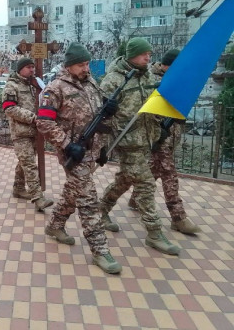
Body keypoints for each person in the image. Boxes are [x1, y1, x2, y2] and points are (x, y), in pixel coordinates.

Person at [36, 43, 121, 274]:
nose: (86, 68)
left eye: (87, 63)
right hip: (73, 155)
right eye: (81, 64)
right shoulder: (54, 89)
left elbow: (97, 119)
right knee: (88, 200)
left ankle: (55, 226)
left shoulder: (91, 83)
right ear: (69, 66)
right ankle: (100, 250)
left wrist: (104, 145)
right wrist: (66, 144)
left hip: (91, 152)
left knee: (73, 192)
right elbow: (43, 122)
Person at [99, 37, 180, 256]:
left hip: (147, 138)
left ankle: (102, 209)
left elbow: (154, 104)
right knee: (145, 184)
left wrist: (159, 127)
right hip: (127, 141)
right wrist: (102, 146)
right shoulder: (114, 80)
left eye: (149, 54)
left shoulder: (149, 76)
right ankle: (154, 232)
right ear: (132, 54)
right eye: (144, 53)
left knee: (126, 178)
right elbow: (102, 117)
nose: (148, 57)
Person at [128, 49, 200, 235]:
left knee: (154, 170)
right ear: (167, 65)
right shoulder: (151, 80)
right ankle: (178, 217)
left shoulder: (178, 81)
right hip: (157, 135)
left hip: (171, 134)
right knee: (169, 172)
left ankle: (135, 198)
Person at [2, 57, 53, 212]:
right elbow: (9, 108)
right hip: (20, 133)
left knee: (24, 162)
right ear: (20, 69)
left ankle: (18, 188)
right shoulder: (11, 86)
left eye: (33, 67)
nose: (32, 70)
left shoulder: (34, 85)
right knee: (30, 164)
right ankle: (38, 198)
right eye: (28, 67)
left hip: (34, 132)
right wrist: (32, 118)